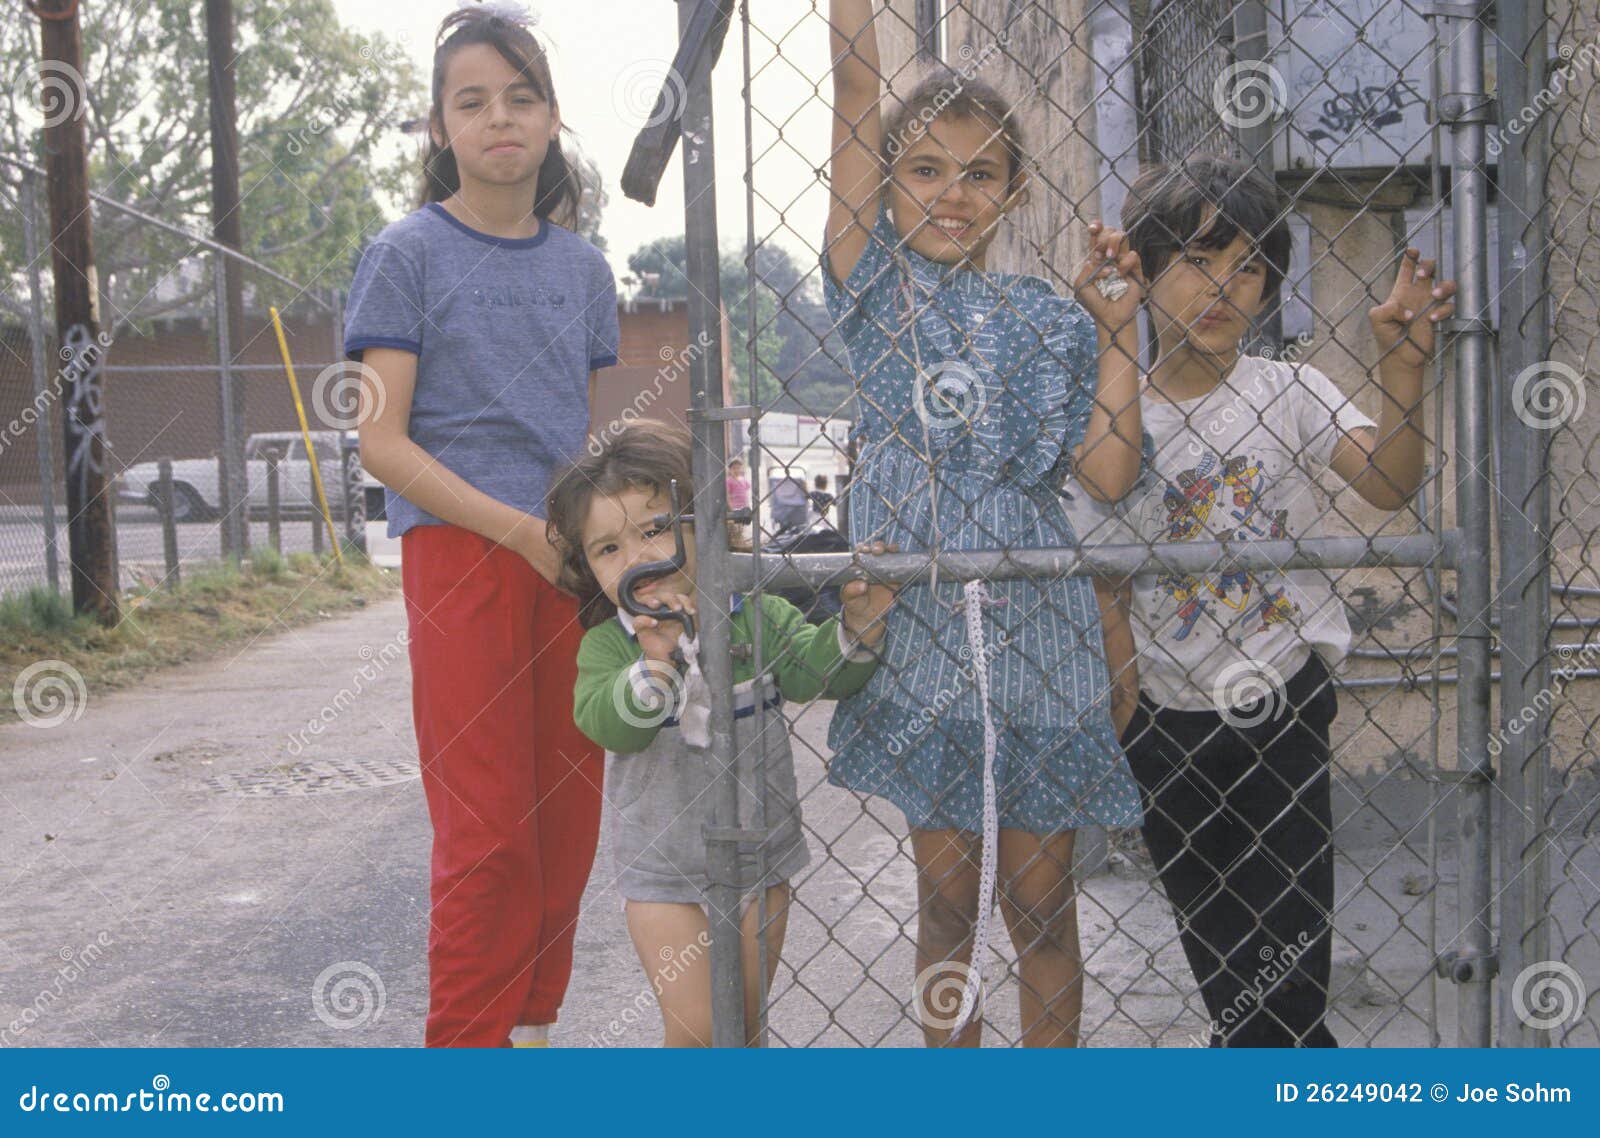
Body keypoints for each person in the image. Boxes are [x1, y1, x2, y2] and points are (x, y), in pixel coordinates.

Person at [821, 0, 1148, 1047]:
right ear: (889, 183)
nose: (951, 193)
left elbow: (1105, 468)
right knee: (946, 902)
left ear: (1011, 191)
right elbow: (857, 95)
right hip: (921, 629)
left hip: (1038, 627)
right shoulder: (873, 290)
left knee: (1044, 902)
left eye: (978, 173)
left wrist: (1114, 334)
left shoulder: (1050, 319)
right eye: (923, 168)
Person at [1103, 155, 1456, 1046]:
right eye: (1195, 258)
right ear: (1139, 271)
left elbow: (1386, 485)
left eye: (1248, 265)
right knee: (1222, 964)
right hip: (1167, 724)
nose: (1222, 286)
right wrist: (1125, 703)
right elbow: (1101, 569)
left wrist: (1401, 378)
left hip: (1280, 702)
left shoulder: (1290, 391)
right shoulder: (1118, 418)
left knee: (1289, 973)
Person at [345, 6, 619, 1048]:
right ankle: (461, 1056)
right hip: (465, 557)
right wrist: (513, 530)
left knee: (566, 820)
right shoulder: (405, 254)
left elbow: (579, 440)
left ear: (550, 118)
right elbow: (382, 442)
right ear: (440, 127)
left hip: (565, 563)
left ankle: (530, 1037)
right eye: (472, 101)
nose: (498, 118)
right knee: (488, 833)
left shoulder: (586, 273)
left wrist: (603, 541)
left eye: (520, 97)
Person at [546, 422, 897, 1046]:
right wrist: (655, 664)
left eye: (654, 529)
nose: (636, 559)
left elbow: (818, 673)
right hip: (664, 870)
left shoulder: (756, 615)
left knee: (742, 1027)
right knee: (698, 1029)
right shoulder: (608, 646)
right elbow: (610, 727)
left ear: (703, 522)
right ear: (587, 567)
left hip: (758, 856)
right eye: (607, 549)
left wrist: (858, 626)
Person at [725, 457, 751, 550]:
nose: (737, 470)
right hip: (734, 507)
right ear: (730, 469)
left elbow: (746, 493)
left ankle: (740, 542)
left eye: (738, 468)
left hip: (743, 507)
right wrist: (731, 507)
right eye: (734, 468)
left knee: (742, 527)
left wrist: (747, 505)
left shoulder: (743, 480)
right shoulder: (728, 481)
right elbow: (727, 495)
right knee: (734, 527)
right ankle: (734, 544)